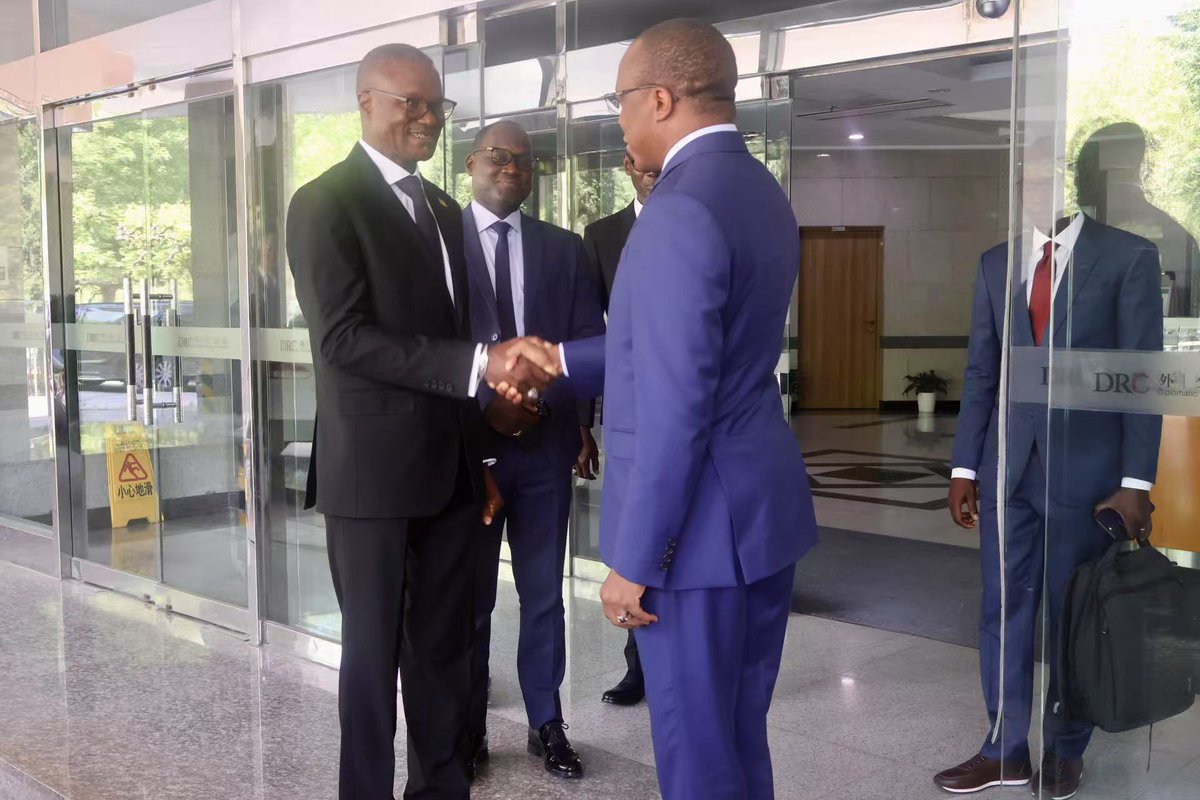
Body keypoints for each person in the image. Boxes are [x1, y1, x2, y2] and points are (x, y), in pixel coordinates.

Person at [551, 19, 820, 799]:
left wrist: (634, 560)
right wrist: (561, 358)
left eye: (623, 101)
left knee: (697, 756)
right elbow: (695, 350)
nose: (621, 119)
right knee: (738, 737)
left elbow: (674, 405)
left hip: (697, 542)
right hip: (756, 521)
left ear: (661, 98)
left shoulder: (678, 208)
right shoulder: (758, 190)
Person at [285, 44, 559, 800]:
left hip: (448, 474)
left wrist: (481, 469)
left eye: (436, 105)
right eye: (410, 102)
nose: (428, 117)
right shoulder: (323, 200)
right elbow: (343, 339)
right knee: (372, 661)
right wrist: (481, 364)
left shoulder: (443, 208)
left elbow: (452, 331)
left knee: (442, 651)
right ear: (366, 103)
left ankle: (441, 790)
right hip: (370, 475)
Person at [936, 139, 1163, 797]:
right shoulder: (996, 264)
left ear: (1067, 183)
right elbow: (983, 371)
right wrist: (963, 468)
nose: (1032, 187)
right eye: (1021, 177)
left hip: (1087, 478)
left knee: (1073, 614)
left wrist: (1135, 482)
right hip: (1007, 472)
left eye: (1043, 174)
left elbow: (1141, 377)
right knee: (1001, 611)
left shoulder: (1126, 256)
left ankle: (1066, 747)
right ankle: (1004, 748)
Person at [462, 120, 605, 781]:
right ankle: (467, 726)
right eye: (498, 156)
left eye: (524, 160)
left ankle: (546, 721)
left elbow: (584, 346)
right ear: (470, 164)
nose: (512, 167)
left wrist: (547, 410)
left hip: (544, 449)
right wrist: (481, 416)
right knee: (471, 597)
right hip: (466, 452)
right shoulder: (437, 244)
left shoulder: (566, 250)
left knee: (545, 593)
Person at [582, 151, 658, 707]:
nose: (648, 171)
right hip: (628, 409)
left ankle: (672, 661)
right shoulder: (603, 234)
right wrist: (583, 423)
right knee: (633, 532)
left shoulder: (694, 217)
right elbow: (592, 329)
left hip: (687, 405)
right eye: (637, 164)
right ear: (626, 169)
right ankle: (638, 667)